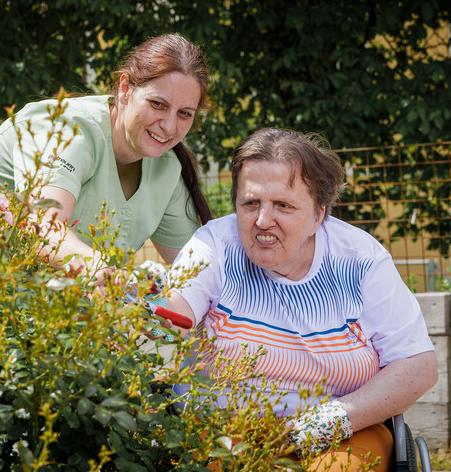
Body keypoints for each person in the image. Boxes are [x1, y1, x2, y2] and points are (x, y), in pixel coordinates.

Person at [163, 127, 438, 470]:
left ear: (319, 214)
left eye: (283, 205)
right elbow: (176, 311)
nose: (263, 221)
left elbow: (418, 366)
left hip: (342, 430)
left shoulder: (360, 260)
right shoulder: (214, 245)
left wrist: (325, 423)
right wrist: (152, 306)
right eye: (250, 203)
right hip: (223, 428)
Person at [0, 33, 212, 279]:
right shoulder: (65, 130)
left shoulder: (167, 168)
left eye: (184, 114)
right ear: (125, 89)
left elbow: (194, 270)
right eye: (158, 104)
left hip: (57, 307)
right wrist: (103, 271)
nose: (169, 126)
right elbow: (42, 230)